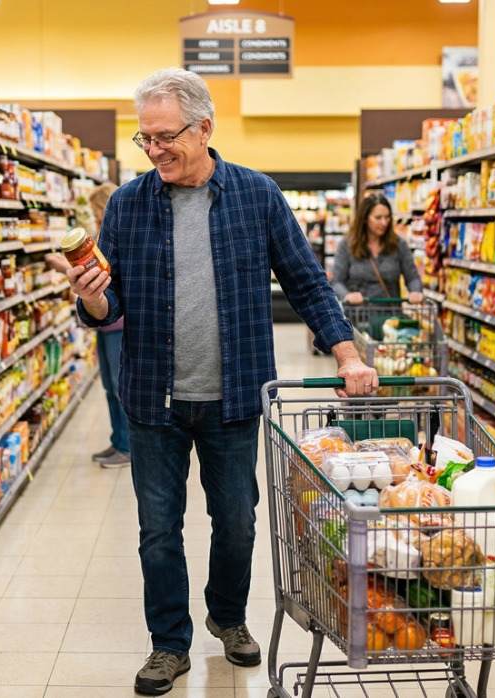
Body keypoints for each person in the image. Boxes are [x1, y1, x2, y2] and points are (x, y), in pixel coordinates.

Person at [66, 67, 377, 696]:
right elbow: (110, 307)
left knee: (237, 520)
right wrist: (93, 300)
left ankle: (229, 617)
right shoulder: (128, 204)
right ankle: (169, 643)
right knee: (159, 529)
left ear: (204, 128)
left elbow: (307, 281)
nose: (154, 151)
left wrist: (347, 354)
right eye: (144, 140)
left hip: (235, 395)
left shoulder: (256, 195)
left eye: (166, 137)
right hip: (153, 397)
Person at [46, 183, 129, 468]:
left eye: (96, 212)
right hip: (103, 326)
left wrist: (62, 268)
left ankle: (128, 446)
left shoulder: (117, 238)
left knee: (121, 387)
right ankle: (118, 440)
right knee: (109, 385)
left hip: (119, 324)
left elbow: (107, 279)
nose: (94, 219)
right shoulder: (96, 241)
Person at [331, 193, 424, 306]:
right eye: (378, 218)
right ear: (365, 218)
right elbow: (336, 281)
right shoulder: (347, 245)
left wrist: (415, 291)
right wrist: (346, 295)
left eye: (387, 217)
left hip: (390, 317)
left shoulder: (399, 244)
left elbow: (412, 277)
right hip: (357, 316)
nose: (384, 222)